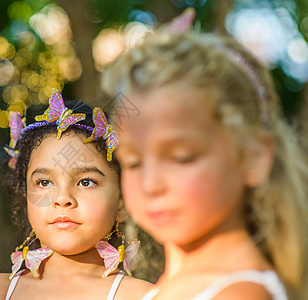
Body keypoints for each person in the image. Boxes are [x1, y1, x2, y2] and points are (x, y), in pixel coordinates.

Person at [101, 27, 308, 300]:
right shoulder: (166, 287)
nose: (150, 185)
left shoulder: (240, 294)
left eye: (181, 157)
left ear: (253, 157)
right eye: (133, 162)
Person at [0, 89, 153, 299]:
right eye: (44, 182)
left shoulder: (144, 297)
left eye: (86, 182)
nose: (63, 199)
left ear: (123, 202)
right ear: (26, 196)